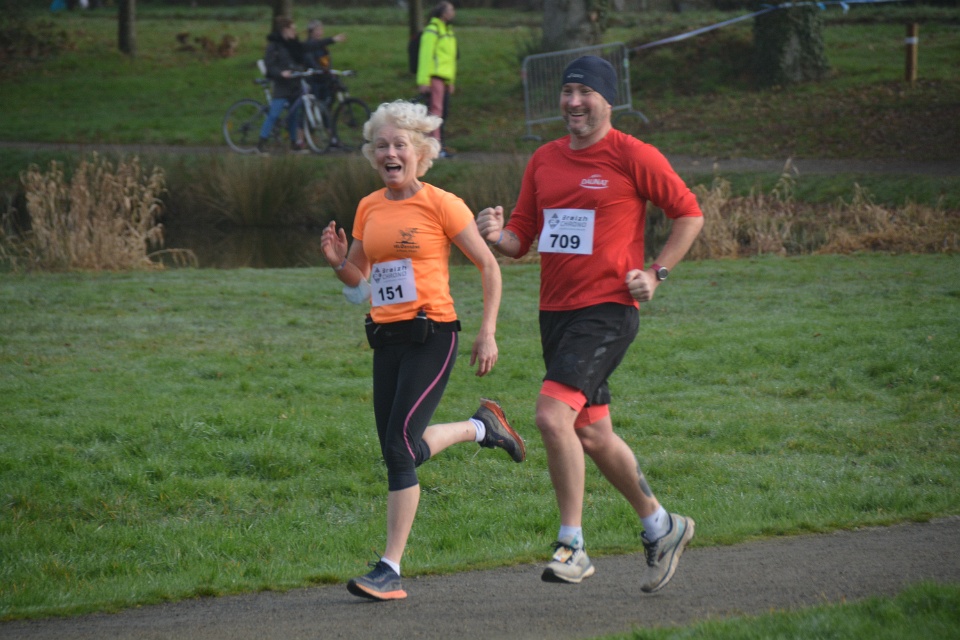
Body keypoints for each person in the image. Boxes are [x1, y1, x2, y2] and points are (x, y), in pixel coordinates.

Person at [476, 56, 704, 592]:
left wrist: (656, 273)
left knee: (551, 417)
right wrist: (494, 235)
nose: (574, 102)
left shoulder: (632, 154)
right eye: (567, 92)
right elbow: (521, 237)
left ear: (607, 100)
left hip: (607, 309)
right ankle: (662, 526)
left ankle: (572, 545)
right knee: (592, 432)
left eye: (585, 92)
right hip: (555, 312)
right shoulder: (545, 159)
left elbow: (689, 213)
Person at [321, 100, 526, 601]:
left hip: (433, 334)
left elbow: (488, 266)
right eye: (382, 146)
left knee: (398, 448)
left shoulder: (442, 204)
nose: (390, 153)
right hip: (386, 338)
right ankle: (482, 427)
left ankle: (389, 569)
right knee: (401, 450)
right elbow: (359, 279)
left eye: (400, 145)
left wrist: (488, 332)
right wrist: (338, 263)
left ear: (420, 152)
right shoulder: (369, 206)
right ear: (373, 154)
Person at [258, 16, 332, 154]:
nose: (295, 31)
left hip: (295, 83)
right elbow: (270, 66)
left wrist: (331, 40)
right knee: (274, 114)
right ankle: (261, 143)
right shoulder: (274, 46)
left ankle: (294, 144)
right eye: (292, 29)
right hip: (282, 85)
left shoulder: (294, 44)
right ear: (285, 30)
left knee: (294, 115)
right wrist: (281, 73)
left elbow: (308, 47)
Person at [416, 1, 457, 158]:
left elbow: (450, 59)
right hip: (435, 77)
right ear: (443, 13)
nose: (453, 12)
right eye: (450, 10)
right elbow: (425, 56)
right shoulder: (432, 31)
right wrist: (423, 80)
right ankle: (435, 148)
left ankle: (435, 146)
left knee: (440, 113)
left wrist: (450, 81)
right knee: (435, 113)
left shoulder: (447, 31)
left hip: (444, 78)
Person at [302, 19, 346, 105]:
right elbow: (310, 62)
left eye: (321, 30)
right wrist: (321, 70)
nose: (320, 33)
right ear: (311, 32)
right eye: (317, 30)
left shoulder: (323, 46)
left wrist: (329, 70)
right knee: (316, 103)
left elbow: (327, 60)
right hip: (314, 80)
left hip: (324, 79)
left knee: (328, 102)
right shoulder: (308, 45)